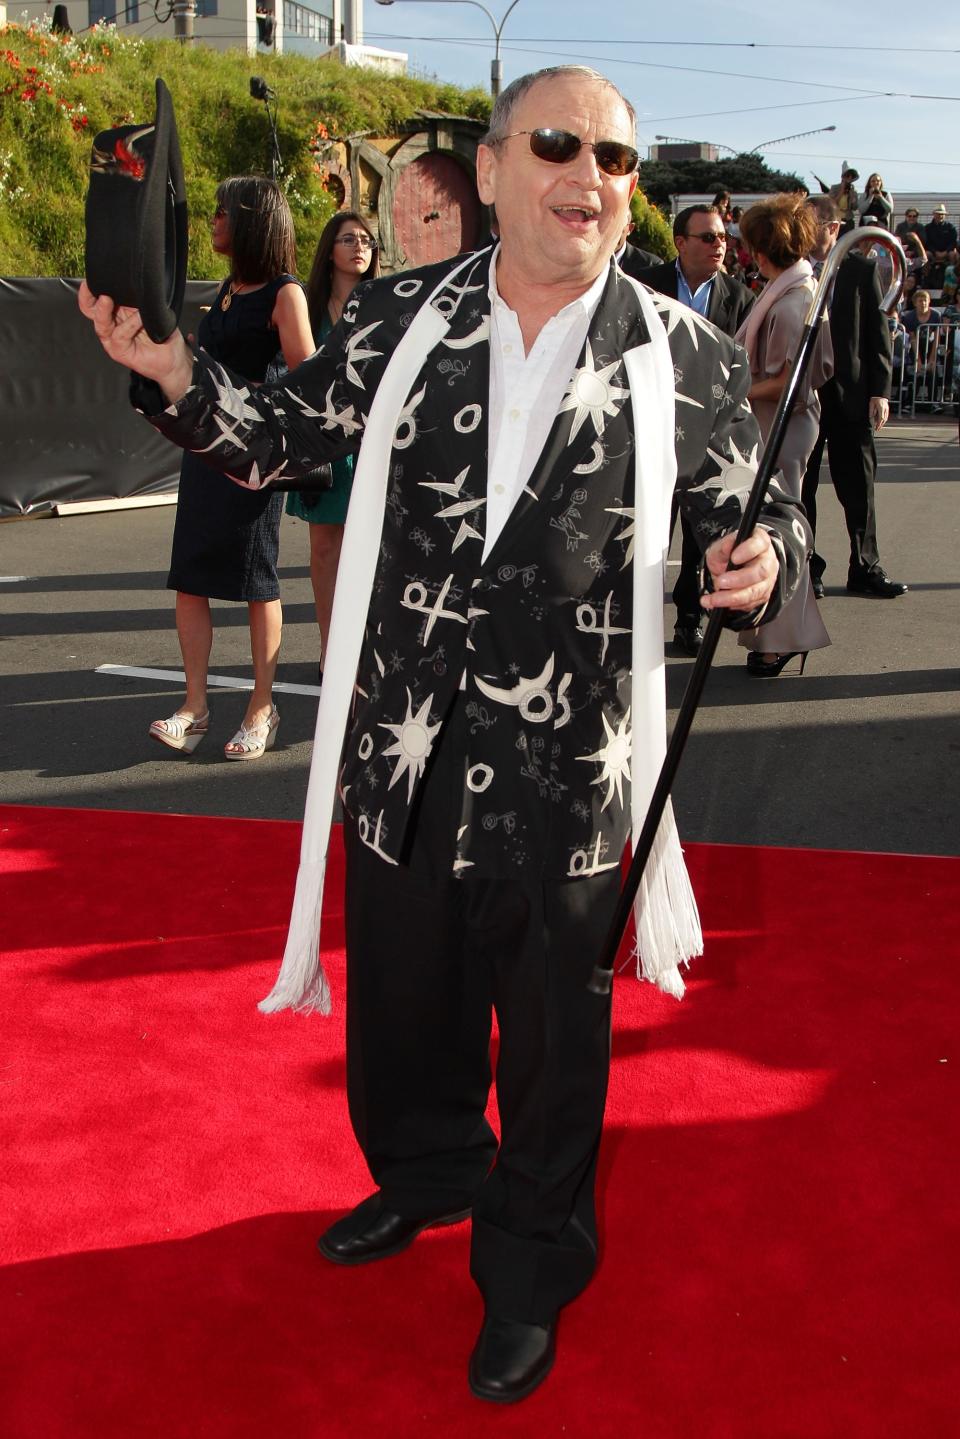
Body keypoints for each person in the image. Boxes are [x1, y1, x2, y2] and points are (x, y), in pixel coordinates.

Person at [80, 65, 809, 1404]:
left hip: (576, 774)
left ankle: (529, 1268)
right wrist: (173, 366)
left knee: (550, 1047)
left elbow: (758, 518)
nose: (590, 176)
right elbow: (272, 439)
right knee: (404, 1015)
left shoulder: (681, 350)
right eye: (556, 143)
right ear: (487, 171)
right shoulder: (402, 317)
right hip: (403, 748)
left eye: (617, 157)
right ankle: (423, 1176)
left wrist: (765, 569)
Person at [148, 176, 314, 760]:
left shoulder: (284, 293)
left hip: (252, 459)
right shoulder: (226, 289)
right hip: (204, 452)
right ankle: (194, 706)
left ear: (252, 221)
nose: (214, 221)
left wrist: (249, 395)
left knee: (255, 580)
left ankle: (262, 707)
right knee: (189, 577)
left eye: (223, 212)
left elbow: (305, 381)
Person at [636, 204, 755, 655]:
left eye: (723, 237)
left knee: (699, 535)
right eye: (707, 237)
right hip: (649, 429)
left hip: (705, 439)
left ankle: (691, 618)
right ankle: (635, 620)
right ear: (680, 243)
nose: (719, 245)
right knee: (648, 530)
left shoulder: (739, 298)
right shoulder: (646, 286)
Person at [734, 195, 832, 676]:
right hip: (778, 425)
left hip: (782, 427)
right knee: (771, 530)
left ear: (760, 248)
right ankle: (772, 633)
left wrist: (734, 389)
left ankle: (784, 637)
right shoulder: (793, 291)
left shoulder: (793, 302)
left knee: (778, 533)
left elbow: (790, 381)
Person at [285, 210, 380, 671]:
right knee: (325, 547)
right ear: (329, 250)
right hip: (324, 439)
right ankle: (330, 648)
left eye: (365, 239)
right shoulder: (307, 304)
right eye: (348, 239)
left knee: (373, 548)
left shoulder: (386, 301)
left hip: (374, 438)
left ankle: (368, 645)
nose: (359, 246)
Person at [802, 194, 906, 599]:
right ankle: (807, 566)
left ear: (832, 228)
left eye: (812, 225)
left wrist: (880, 391)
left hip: (851, 394)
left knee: (858, 486)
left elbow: (878, 335)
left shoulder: (861, 269)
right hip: (803, 395)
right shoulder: (793, 270)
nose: (804, 234)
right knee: (801, 485)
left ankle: (865, 566)